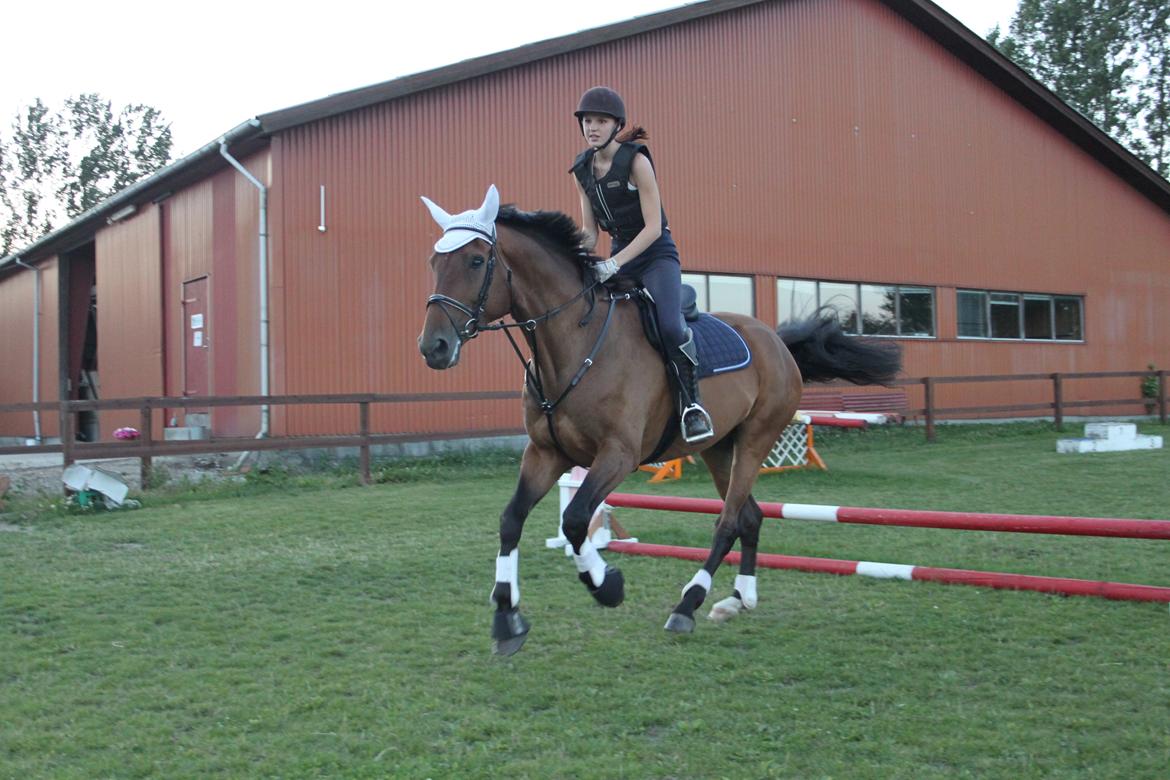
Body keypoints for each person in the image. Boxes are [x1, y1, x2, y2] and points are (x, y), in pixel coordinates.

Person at [569, 86, 714, 443]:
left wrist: (614, 263)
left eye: (601, 121)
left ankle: (691, 406)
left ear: (615, 125)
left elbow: (653, 228)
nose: (593, 127)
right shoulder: (581, 170)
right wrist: (577, 259)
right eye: (588, 121)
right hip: (619, 258)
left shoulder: (636, 161)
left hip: (656, 255)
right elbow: (589, 231)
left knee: (668, 326)